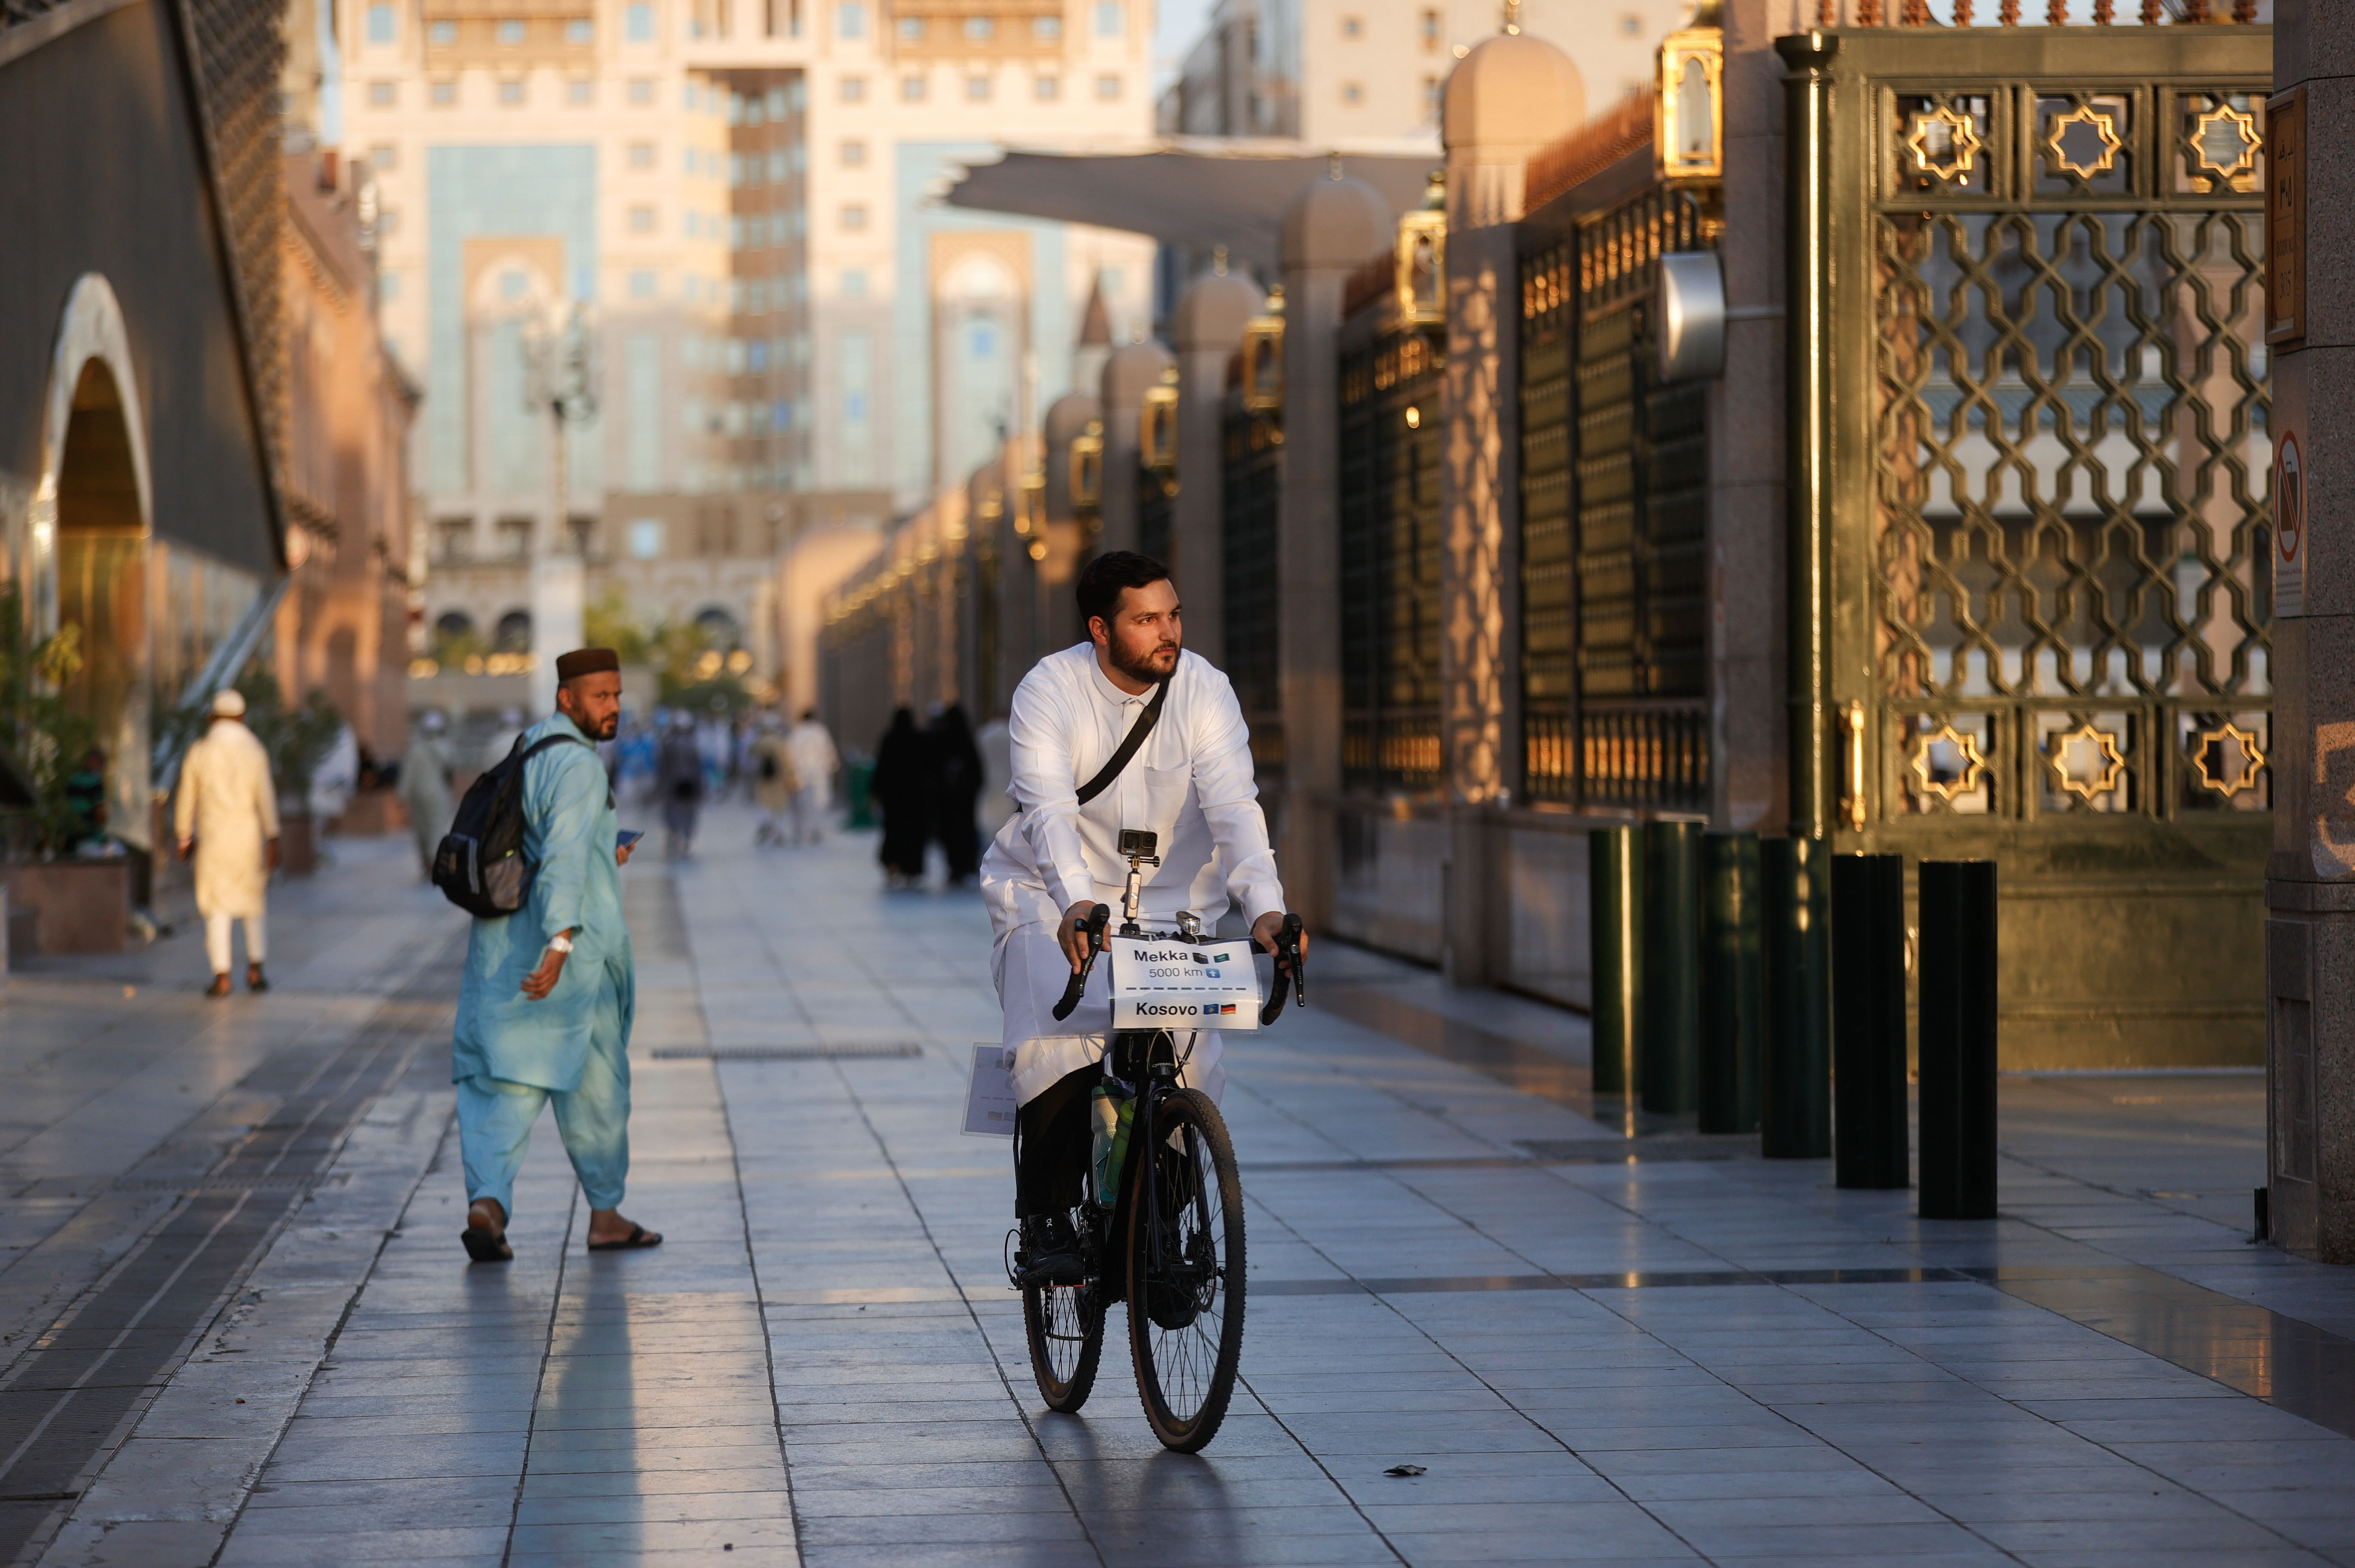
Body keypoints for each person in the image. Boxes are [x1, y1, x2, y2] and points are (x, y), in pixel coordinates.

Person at [979, 551, 1300, 1283]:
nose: (1168, 632)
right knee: (1055, 1036)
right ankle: (1048, 1220)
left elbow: (1235, 810)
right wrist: (1073, 902)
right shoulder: (1049, 690)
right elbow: (1049, 810)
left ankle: (1166, 1232)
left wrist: (1268, 909)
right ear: (1100, 628)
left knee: (1190, 1061)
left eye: (1174, 614)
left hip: (1171, 904)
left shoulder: (1205, 690)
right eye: (1146, 618)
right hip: (1049, 891)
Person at [451, 647, 661, 1263]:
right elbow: (566, 856)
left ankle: (487, 1204)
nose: (614, 707)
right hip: (571, 960)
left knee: (502, 1084)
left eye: (618, 695)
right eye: (601, 696)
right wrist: (563, 939)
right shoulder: (580, 767)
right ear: (567, 697)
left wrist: (607, 849)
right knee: (596, 1086)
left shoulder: (532, 746)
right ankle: (606, 1215)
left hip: (505, 952)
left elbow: (549, 841)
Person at [174, 689, 281, 998]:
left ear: (212, 717)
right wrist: (273, 836)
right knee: (252, 903)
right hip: (248, 837)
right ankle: (256, 968)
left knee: (217, 905)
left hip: (213, 837)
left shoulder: (200, 751)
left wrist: (184, 836)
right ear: (242, 717)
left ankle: (222, 975)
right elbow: (266, 797)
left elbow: (186, 797)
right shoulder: (255, 750)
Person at [869, 707, 932, 888]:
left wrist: (876, 793)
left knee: (894, 832)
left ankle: (893, 867)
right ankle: (912, 870)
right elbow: (928, 768)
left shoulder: (889, 740)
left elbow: (881, 768)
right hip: (916, 797)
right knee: (914, 835)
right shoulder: (919, 740)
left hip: (893, 798)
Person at [930, 703, 984, 885]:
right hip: (964, 800)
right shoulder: (966, 741)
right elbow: (977, 771)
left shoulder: (942, 740)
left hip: (947, 800)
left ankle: (955, 866)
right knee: (965, 831)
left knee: (950, 834)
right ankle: (966, 864)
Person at [398, 710, 456, 878]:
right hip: (437, 793)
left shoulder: (416, 747)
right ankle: (434, 862)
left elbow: (407, 774)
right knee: (436, 828)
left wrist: (401, 795)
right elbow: (450, 771)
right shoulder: (446, 747)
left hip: (417, 794)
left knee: (421, 829)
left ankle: (426, 862)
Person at [785, 708, 838, 844]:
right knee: (819, 802)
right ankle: (816, 830)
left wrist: (790, 772)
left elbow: (790, 753)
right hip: (819, 772)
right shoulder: (820, 731)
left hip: (801, 772)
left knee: (802, 804)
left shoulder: (797, 732)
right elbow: (829, 751)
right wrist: (833, 766)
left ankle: (804, 832)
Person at [656, 711, 705, 857]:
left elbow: (663, 767)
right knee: (686, 812)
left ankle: (678, 835)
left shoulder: (670, 743)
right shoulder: (692, 744)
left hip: (676, 785)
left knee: (677, 811)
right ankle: (685, 837)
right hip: (686, 784)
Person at [749, 716, 799, 845]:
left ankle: (769, 830)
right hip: (779, 781)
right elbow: (788, 763)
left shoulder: (761, 742)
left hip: (765, 781)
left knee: (765, 807)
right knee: (778, 808)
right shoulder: (781, 743)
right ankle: (777, 832)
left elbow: (751, 758)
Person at [63, 747, 107, 851]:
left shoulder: (73, 779)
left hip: (70, 840)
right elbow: (100, 814)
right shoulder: (95, 783)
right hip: (89, 839)